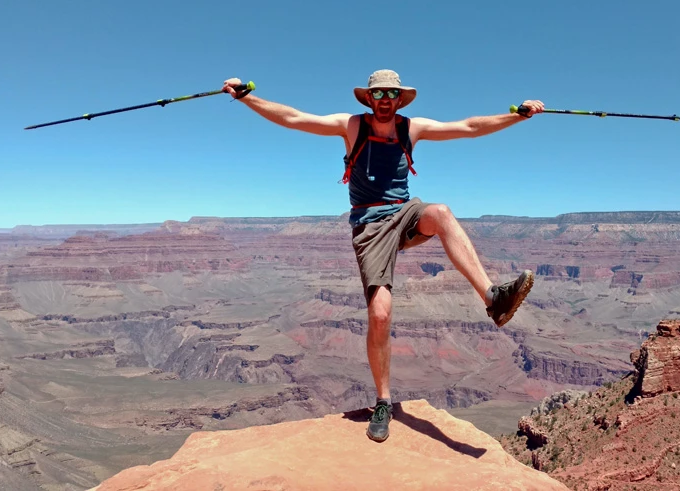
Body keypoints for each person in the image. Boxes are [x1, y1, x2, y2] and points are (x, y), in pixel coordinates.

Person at [222, 69, 544, 442]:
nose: (385, 100)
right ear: (369, 98)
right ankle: (383, 401)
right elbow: (294, 118)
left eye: (391, 93)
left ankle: (493, 298)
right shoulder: (351, 126)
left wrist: (517, 116)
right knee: (380, 315)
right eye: (378, 94)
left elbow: (469, 127)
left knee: (441, 212)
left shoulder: (411, 128)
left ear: (400, 98)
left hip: (405, 214)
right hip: (369, 225)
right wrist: (246, 97)